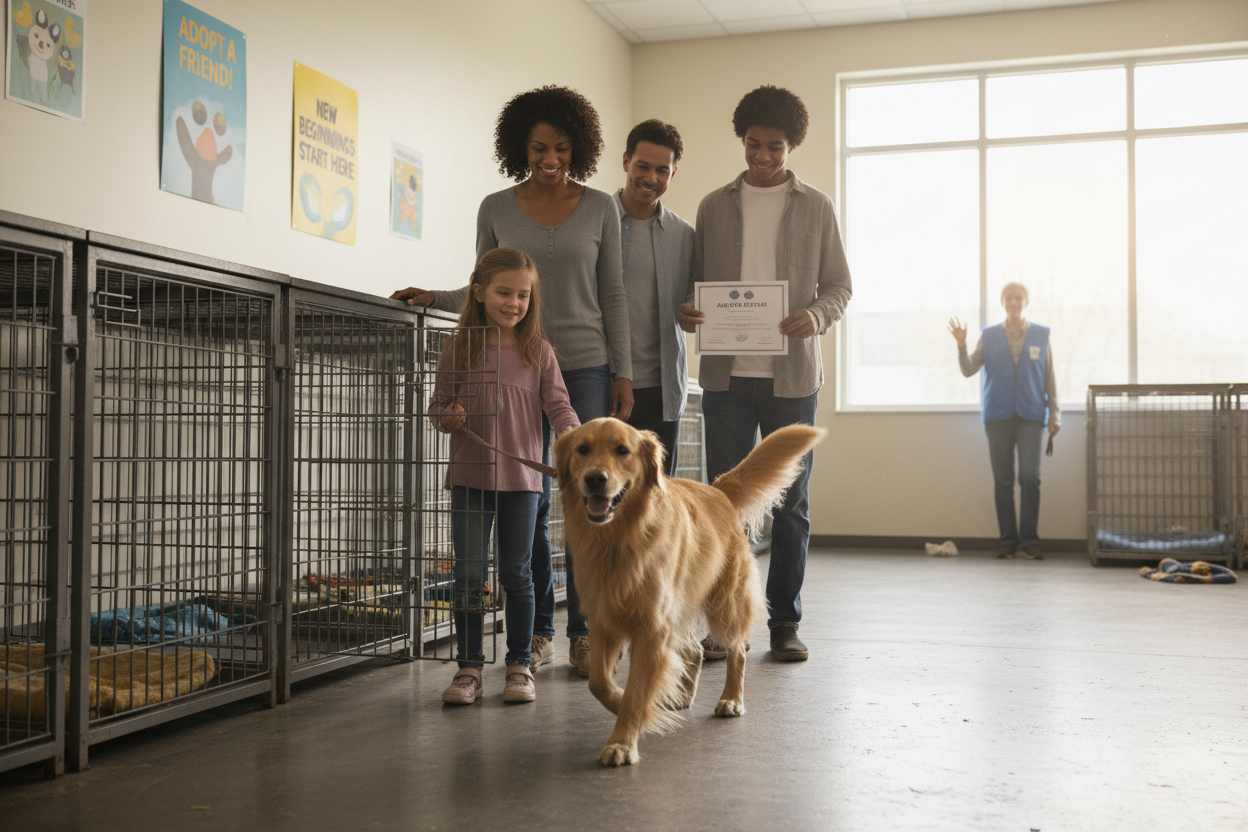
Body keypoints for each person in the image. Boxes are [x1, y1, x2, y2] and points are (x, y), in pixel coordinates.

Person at [392, 86, 630, 677]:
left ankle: (584, 631)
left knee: (583, 501)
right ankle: (538, 635)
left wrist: (622, 369)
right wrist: (436, 296)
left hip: (582, 363)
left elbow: (614, 293)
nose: (550, 159)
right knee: (533, 497)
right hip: (511, 358)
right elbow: (487, 282)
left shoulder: (601, 207)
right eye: (539, 148)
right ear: (519, 148)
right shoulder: (496, 206)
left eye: (562, 148)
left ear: (580, 149)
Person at [677, 85, 852, 663]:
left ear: (791, 146)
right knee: (724, 505)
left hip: (792, 379)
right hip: (726, 378)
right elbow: (696, 288)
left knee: (791, 506)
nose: (763, 157)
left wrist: (816, 315)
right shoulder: (712, 206)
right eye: (753, 145)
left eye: (775, 148)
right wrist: (688, 310)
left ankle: (783, 622)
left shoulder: (817, 206)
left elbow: (840, 287)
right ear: (742, 140)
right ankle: (725, 623)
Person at [429, 248, 579, 705]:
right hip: (470, 481)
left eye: (523, 295)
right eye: (503, 292)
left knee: (518, 574)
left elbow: (559, 407)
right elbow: (437, 407)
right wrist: (448, 416)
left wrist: (574, 437)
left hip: (523, 485)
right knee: (469, 574)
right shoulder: (459, 346)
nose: (514, 302)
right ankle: (469, 669)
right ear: (478, 292)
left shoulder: (539, 351)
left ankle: (519, 664)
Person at [948, 282, 1060, 560]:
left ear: (1026, 301)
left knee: (1030, 477)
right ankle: (1008, 541)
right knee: (1003, 480)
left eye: (1018, 297)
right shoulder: (988, 336)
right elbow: (968, 369)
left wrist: (1054, 415)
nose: (1014, 302)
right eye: (1009, 298)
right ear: (1002, 302)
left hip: (1032, 415)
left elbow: (1050, 378)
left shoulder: (1041, 335)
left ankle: (1030, 540)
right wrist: (962, 345)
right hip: (997, 415)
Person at [614, 119, 695, 474]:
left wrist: (694, 311)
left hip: (662, 387)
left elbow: (694, 296)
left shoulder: (685, 235)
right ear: (625, 162)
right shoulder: (592, 221)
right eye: (643, 166)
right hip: (605, 380)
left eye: (662, 170)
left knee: (658, 497)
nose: (651, 178)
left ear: (673, 173)